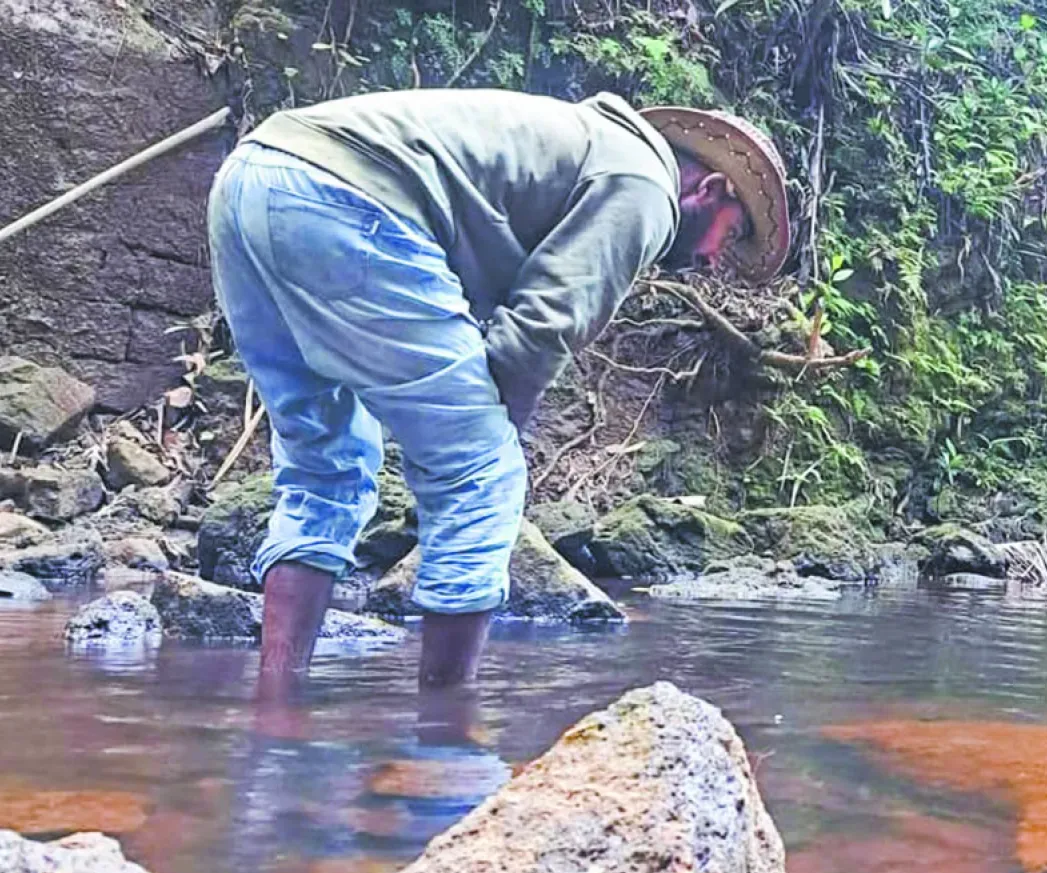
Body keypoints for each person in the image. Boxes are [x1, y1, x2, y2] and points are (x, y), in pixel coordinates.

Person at [206, 89, 790, 689]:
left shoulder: (585, 143)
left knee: (324, 468)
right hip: (345, 199)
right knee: (483, 477)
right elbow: (542, 329)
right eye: (732, 232)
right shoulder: (644, 182)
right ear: (711, 190)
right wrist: (484, 446)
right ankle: (444, 741)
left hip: (251, 180)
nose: (717, 258)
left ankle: (276, 720)